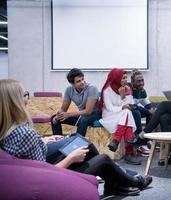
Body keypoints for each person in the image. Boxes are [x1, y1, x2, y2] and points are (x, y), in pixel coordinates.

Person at [0, 79, 152, 196]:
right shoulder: (26, 134)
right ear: (16, 101)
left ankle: (117, 177)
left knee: (79, 140)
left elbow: (25, 157)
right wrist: (71, 158)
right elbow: (44, 174)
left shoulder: (7, 127)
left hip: (31, 168)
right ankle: (129, 180)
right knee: (102, 159)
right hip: (48, 179)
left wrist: (42, 140)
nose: (28, 98)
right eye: (25, 94)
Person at [98, 68, 141, 165]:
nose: (125, 80)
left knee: (127, 113)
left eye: (126, 78)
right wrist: (122, 105)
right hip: (109, 115)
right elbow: (110, 108)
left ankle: (116, 141)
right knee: (126, 113)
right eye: (123, 78)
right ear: (116, 78)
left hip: (122, 114)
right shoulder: (107, 90)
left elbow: (130, 105)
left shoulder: (127, 89)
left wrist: (123, 96)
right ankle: (129, 153)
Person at [51, 68, 100, 136]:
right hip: (82, 116)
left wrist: (68, 114)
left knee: (83, 120)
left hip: (94, 115)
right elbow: (63, 109)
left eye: (82, 79)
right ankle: (59, 142)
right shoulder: (69, 90)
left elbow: (88, 111)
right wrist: (59, 114)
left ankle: (77, 144)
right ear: (72, 84)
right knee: (54, 118)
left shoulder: (92, 88)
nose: (82, 82)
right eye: (78, 81)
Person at [128, 69, 157, 155]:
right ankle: (140, 142)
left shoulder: (142, 90)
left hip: (135, 109)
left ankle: (147, 139)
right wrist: (148, 111)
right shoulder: (128, 88)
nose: (141, 83)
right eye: (138, 81)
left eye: (142, 80)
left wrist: (153, 109)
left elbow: (147, 104)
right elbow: (132, 106)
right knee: (137, 113)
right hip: (126, 110)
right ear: (133, 81)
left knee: (151, 114)